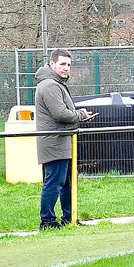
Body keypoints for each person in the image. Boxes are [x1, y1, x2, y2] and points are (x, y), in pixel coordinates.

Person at [34, 49, 96, 230]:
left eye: (68, 65)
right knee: (54, 184)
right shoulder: (50, 86)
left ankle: (69, 218)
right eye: (62, 64)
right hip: (54, 143)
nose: (66, 68)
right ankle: (47, 221)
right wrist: (81, 115)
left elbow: (64, 113)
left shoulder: (56, 84)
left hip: (62, 141)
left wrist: (78, 116)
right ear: (52, 64)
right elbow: (60, 114)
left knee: (66, 183)